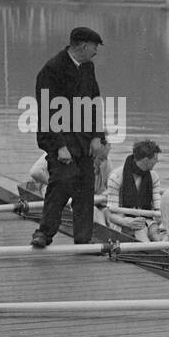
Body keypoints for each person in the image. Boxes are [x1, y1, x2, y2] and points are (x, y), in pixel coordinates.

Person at [30, 26, 107, 248]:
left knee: (85, 188)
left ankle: (83, 239)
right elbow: (47, 112)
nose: (96, 52)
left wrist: (96, 136)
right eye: (94, 47)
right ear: (83, 46)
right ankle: (44, 233)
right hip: (60, 140)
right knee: (61, 183)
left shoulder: (87, 67)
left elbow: (95, 101)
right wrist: (60, 146)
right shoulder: (51, 69)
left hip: (83, 141)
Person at [105, 138, 163, 241]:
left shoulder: (154, 177)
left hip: (147, 220)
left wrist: (160, 224)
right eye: (155, 158)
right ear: (146, 160)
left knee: (155, 233)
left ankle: (162, 248)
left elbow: (158, 209)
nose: (157, 161)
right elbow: (110, 213)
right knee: (140, 229)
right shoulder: (116, 177)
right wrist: (128, 222)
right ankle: (151, 249)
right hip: (122, 220)